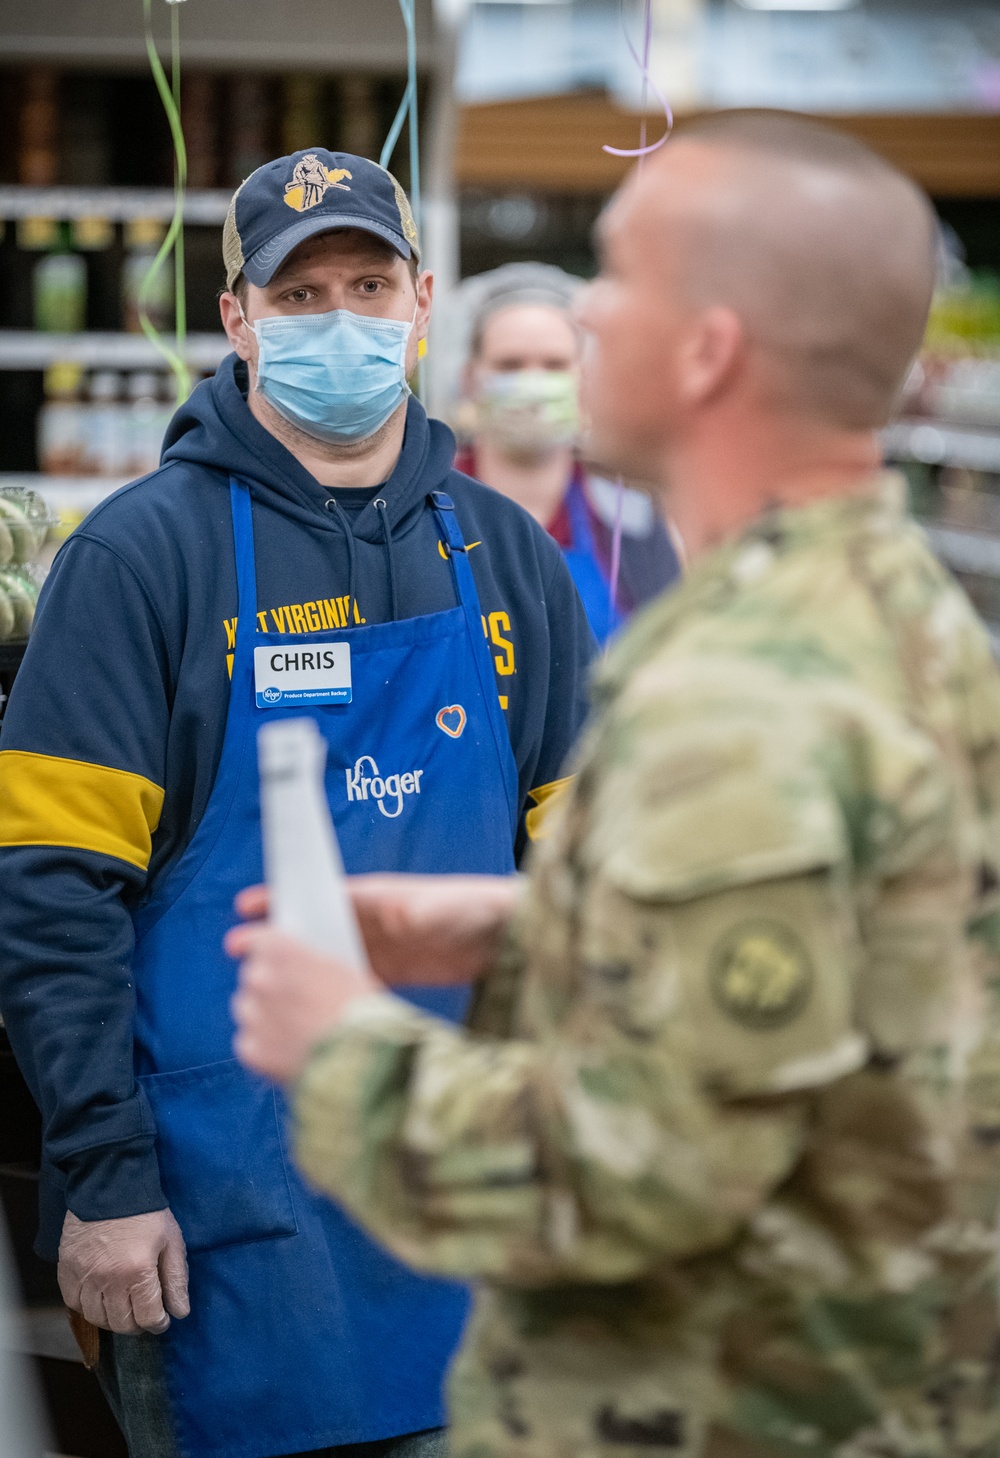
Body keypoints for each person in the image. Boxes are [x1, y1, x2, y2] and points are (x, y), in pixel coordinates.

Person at [230, 115, 1000, 1458]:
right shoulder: (903, 616)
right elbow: (850, 978)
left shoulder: (742, 690)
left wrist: (343, 1041)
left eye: (620, 275)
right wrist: (537, 924)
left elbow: (641, 1168)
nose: (584, 312)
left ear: (708, 352)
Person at [0, 150, 594, 1458]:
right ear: (239, 319)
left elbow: (587, 890)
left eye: (367, 283)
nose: (340, 317)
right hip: (228, 1229)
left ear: (421, 298)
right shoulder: (141, 558)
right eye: (301, 291)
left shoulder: (507, 558)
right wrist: (102, 1180)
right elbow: (50, 895)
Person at [451, 263, 680, 643]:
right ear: (470, 379)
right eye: (510, 365)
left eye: (554, 365)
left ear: (583, 378)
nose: (533, 383)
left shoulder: (631, 516)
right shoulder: (428, 504)